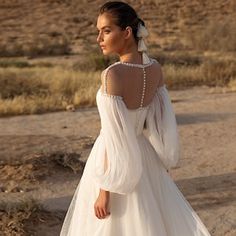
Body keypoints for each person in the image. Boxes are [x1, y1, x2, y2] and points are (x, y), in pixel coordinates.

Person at [60, 1, 211, 235]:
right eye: (98, 31)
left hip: (114, 162)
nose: (99, 38)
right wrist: (160, 166)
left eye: (106, 31)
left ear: (127, 32)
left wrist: (104, 192)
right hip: (145, 156)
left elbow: (114, 137)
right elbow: (160, 124)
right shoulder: (155, 69)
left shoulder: (113, 75)